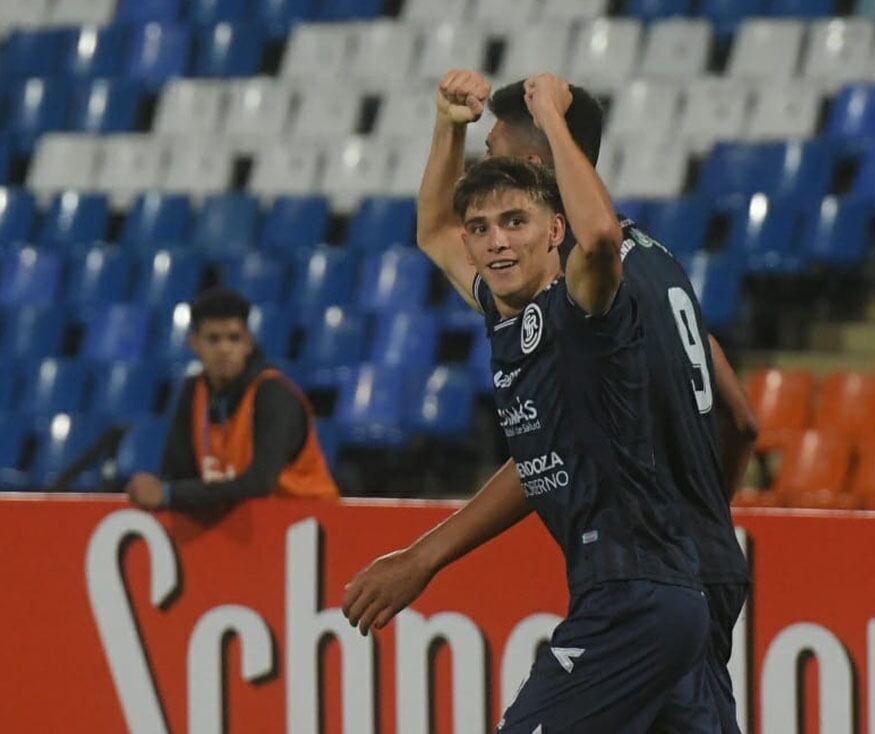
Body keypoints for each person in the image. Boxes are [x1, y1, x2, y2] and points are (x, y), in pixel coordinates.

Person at [350, 71, 757, 728]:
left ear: (540, 179)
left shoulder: (588, 292)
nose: (487, 217)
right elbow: (741, 417)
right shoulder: (659, 266)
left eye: (497, 167)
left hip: (642, 569)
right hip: (696, 556)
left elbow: (565, 440)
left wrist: (425, 556)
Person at [126, 287, 339, 511]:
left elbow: (259, 484)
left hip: (311, 521)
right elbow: (177, 473)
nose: (224, 349)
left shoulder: (273, 394)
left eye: (234, 338)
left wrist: (169, 494)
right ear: (194, 344)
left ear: (248, 343)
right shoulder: (193, 391)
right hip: (245, 524)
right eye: (213, 339)